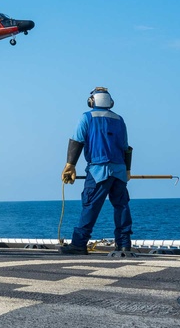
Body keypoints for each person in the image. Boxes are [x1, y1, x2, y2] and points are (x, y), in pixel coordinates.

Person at [60, 86, 133, 255]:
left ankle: (79, 243)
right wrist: (128, 170)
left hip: (98, 170)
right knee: (121, 206)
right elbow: (126, 147)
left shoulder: (87, 117)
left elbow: (77, 141)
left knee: (90, 205)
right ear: (110, 102)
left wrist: (70, 165)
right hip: (120, 170)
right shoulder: (120, 120)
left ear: (92, 101)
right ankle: (123, 244)